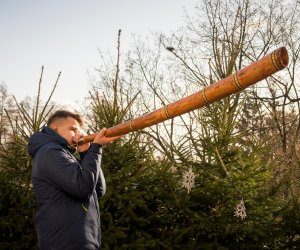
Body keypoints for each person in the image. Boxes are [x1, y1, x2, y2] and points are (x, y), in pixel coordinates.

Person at [28, 109, 121, 250]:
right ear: (55, 128)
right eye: (72, 129)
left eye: (79, 130)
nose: (78, 135)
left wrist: (86, 153)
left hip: (77, 240)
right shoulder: (51, 152)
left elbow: (98, 190)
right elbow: (82, 188)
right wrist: (96, 149)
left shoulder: (64, 154)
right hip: (66, 241)